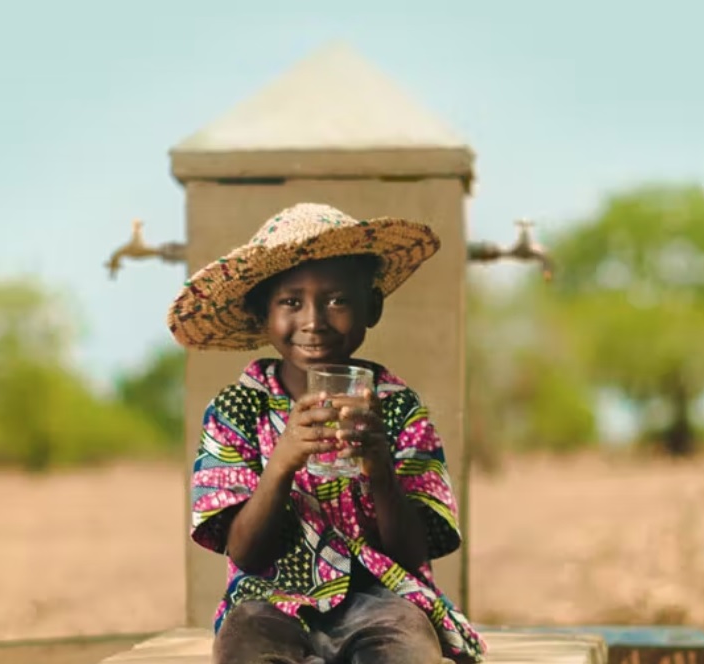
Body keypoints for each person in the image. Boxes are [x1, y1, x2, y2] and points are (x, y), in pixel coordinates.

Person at [167, 202, 486, 664]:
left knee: (409, 646)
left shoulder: (396, 408)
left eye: (337, 300)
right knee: (244, 646)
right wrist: (281, 462)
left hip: (382, 600)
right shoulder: (236, 410)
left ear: (371, 307)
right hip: (266, 602)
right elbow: (246, 553)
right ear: (263, 315)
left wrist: (379, 469)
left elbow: (413, 552)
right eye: (290, 302)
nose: (313, 320)